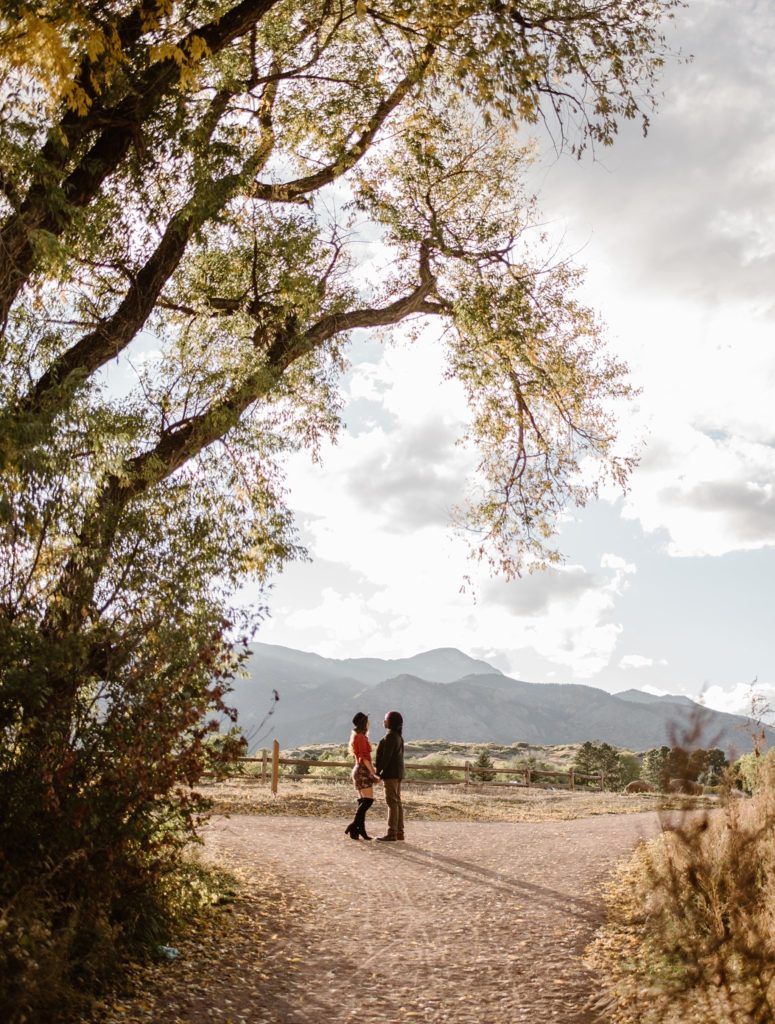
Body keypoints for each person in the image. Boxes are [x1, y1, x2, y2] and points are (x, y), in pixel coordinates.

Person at [345, 711, 380, 840]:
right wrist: (373, 773)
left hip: (358, 770)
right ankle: (354, 826)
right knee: (368, 801)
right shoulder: (361, 737)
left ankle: (359, 831)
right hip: (362, 770)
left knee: (362, 801)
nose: (369, 723)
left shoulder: (357, 736)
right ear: (364, 723)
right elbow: (363, 757)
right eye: (367, 721)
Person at [375, 710, 405, 841]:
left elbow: (386, 758)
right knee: (397, 802)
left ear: (390, 722)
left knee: (392, 803)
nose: (384, 721)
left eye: (385, 719)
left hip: (391, 774)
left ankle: (392, 832)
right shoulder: (398, 736)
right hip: (398, 773)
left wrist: (377, 773)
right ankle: (399, 832)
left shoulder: (390, 736)